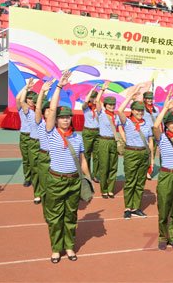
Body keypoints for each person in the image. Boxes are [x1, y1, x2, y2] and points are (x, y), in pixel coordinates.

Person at [45, 71, 91, 264]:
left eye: (68, 117)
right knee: (55, 218)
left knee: (71, 216)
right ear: (56, 120)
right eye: (62, 117)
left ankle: (70, 246)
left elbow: (82, 160)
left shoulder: (77, 137)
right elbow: (52, 109)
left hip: (73, 181)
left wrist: (87, 179)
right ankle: (56, 249)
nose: (65, 120)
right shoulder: (50, 133)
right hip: (55, 180)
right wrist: (59, 87)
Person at [152, 98, 173, 250]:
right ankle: (162, 237)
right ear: (166, 125)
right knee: (164, 208)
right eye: (172, 123)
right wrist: (165, 108)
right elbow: (154, 126)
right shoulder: (163, 139)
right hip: (166, 176)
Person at [117, 86, 154, 219]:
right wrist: (129, 96)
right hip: (131, 153)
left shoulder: (146, 124)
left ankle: (136, 207)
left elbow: (150, 141)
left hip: (144, 154)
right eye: (137, 110)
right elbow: (119, 110)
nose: (139, 112)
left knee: (140, 182)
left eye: (141, 110)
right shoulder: (127, 122)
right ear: (132, 111)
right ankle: (127, 207)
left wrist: (151, 158)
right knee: (130, 181)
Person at [95, 81, 121, 199]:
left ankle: (111, 189)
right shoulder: (101, 114)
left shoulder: (116, 116)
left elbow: (120, 129)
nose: (111, 106)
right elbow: (96, 101)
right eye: (109, 104)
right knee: (104, 166)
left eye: (113, 105)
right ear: (105, 105)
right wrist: (102, 90)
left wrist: (123, 141)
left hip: (113, 141)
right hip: (103, 141)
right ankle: (104, 189)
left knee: (113, 166)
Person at [15, 79, 37, 188]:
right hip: (24, 136)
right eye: (29, 98)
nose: (31, 100)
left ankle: (35, 178)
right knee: (26, 159)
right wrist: (26, 87)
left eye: (33, 98)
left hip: (35, 137)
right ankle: (27, 178)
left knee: (34, 159)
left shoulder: (37, 110)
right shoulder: (21, 108)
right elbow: (18, 98)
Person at [82, 85, 100, 183]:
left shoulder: (98, 108)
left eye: (95, 97)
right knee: (87, 154)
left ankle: (95, 174)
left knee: (96, 155)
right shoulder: (86, 108)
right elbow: (85, 102)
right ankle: (87, 174)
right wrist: (91, 91)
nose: (93, 99)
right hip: (88, 131)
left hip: (97, 132)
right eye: (92, 97)